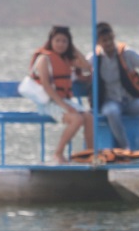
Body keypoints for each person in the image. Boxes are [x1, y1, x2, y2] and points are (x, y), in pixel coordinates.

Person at [24, 25, 94, 164]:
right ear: (51, 41)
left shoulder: (66, 59)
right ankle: (58, 153)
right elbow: (47, 86)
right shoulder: (44, 59)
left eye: (65, 41)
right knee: (76, 119)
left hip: (64, 101)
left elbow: (86, 65)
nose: (61, 44)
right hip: (49, 103)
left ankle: (90, 153)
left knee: (88, 117)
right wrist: (66, 107)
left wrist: (73, 48)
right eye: (57, 40)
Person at [91, 22, 139, 155]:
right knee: (112, 112)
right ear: (98, 42)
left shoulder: (126, 54)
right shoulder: (95, 58)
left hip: (130, 100)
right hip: (110, 101)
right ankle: (125, 148)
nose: (109, 43)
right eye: (104, 40)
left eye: (111, 39)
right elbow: (80, 70)